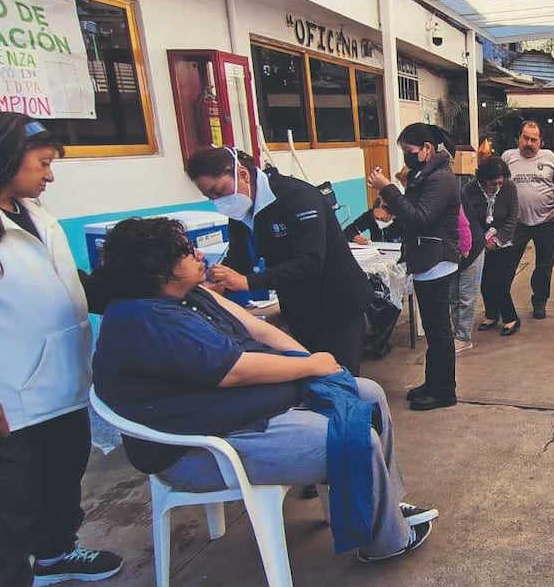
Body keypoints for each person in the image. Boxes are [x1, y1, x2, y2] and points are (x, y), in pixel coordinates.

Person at [90, 217, 436, 562]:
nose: (198, 254)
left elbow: (257, 329)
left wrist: (312, 363)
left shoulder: (191, 295)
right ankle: (385, 540)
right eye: (184, 251)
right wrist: (309, 367)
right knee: (357, 436)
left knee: (368, 394)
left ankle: (385, 505)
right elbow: (235, 372)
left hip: (244, 412)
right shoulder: (143, 320)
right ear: (159, 270)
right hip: (204, 447)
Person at [0, 113, 122, 587]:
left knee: (62, 481)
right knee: (3, 509)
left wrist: (158, 284)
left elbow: (70, 285)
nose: (50, 176)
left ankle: (56, 553)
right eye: (42, 163)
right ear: (3, 156)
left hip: (58, 384)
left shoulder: (30, 213)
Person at [187, 148, 371, 375]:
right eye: (210, 197)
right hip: (297, 303)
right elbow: (239, 257)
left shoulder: (298, 197)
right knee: (312, 375)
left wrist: (247, 282)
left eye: (219, 191)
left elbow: (310, 263)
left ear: (243, 174)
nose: (219, 201)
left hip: (337, 301)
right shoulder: (241, 208)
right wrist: (217, 282)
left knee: (340, 377)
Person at [369, 124, 460, 411]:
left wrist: (389, 189)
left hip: (437, 261)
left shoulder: (441, 180)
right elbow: (410, 214)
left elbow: (421, 218)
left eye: (409, 151)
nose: (406, 157)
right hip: (426, 260)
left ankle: (444, 391)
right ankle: (433, 383)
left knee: (439, 331)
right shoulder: (426, 176)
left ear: (427, 149)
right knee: (434, 331)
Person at [501, 121, 554, 319]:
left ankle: (539, 302)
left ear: (540, 141)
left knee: (544, 266)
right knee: (507, 265)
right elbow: (498, 186)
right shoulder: (508, 157)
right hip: (516, 223)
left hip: (545, 222)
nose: (529, 143)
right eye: (525, 138)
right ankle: (501, 303)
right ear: (519, 138)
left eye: (533, 140)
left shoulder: (550, 158)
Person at [465, 157, 521, 336]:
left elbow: (513, 218)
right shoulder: (471, 189)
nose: (497, 186)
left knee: (501, 282)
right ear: (483, 179)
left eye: (499, 182)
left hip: (504, 242)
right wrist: (481, 241)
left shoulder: (509, 188)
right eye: (492, 183)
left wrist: (497, 241)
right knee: (485, 281)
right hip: (479, 242)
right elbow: (467, 217)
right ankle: (491, 314)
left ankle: (511, 318)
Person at [451, 192, 485, 353]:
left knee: (466, 296)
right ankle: (457, 333)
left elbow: (462, 225)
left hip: (471, 248)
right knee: (453, 296)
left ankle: (463, 337)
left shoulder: (446, 193)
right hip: (452, 252)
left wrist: (465, 250)